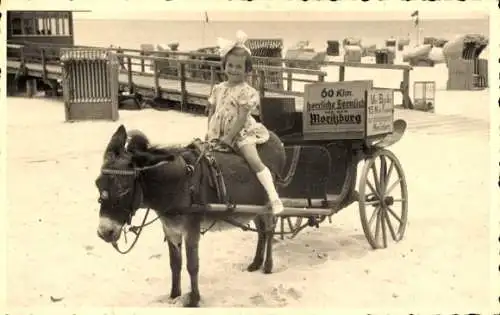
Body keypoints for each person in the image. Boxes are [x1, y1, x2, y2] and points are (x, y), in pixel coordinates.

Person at [205, 30, 284, 215]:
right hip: (219, 133)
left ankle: (273, 197)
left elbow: (241, 118)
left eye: (238, 67)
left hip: (240, 133)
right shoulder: (218, 88)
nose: (233, 70)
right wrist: (210, 133)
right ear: (224, 66)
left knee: (254, 161)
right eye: (230, 66)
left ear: (247, 70)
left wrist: (230, 137)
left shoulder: (246, 91)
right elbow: (212, 112)